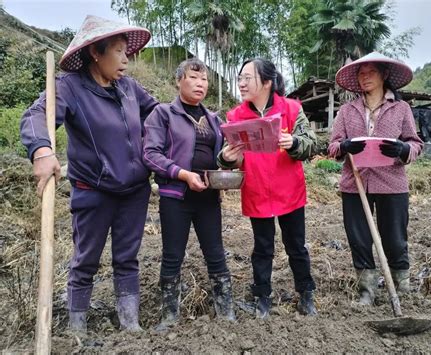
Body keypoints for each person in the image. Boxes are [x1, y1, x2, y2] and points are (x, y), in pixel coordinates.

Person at [20, 15, 158, 331]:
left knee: (127, 258)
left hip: (134, 190)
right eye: (119, 51)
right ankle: (77, 328)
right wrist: (42, 151)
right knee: (86, 261)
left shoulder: (129, 88)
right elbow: (35, 116)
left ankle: (130, 323)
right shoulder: (69, 87)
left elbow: (158, 114)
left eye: (128, 52)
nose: (126, 59)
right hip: (93, 191)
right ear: (96, 52)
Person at [218, 58, 318, 319]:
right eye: (239, 78)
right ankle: (262, 296)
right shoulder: (235, 116)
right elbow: (227, 157)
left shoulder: (292, 110)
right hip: (257, 190)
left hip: (289, 191)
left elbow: (312, 144)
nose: (241, 83)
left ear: (266, 82)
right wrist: (227, 158)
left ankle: (306, 294)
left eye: (247, 78)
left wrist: (293, 141)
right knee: (262, 248)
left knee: (296, 246)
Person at [143, 58, 235, 329]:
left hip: (208, 197)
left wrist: (229, 161)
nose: (200, 84)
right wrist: (182, 174)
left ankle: (226, 310)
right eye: (194, 78)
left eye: (204, 79)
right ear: (179, 81)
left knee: (216, 253)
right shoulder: (163, 114)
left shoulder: (214, 120)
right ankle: (170, 315)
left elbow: (221, 158)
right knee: (173, 255)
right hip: (176, 197)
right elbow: (150, 153)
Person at [328, 52, 423, 305]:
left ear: (383, 75)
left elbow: (415, 143)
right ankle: (367, 291)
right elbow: (333, 146)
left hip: (391, 183)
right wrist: (345, 146)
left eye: (370, 72)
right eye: (361, 73)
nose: (365, 76)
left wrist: (404, 150)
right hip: (355, 183)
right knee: (358, 238)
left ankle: (402, 288)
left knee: (394, 238)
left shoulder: (401, 109)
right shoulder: (347, 111)